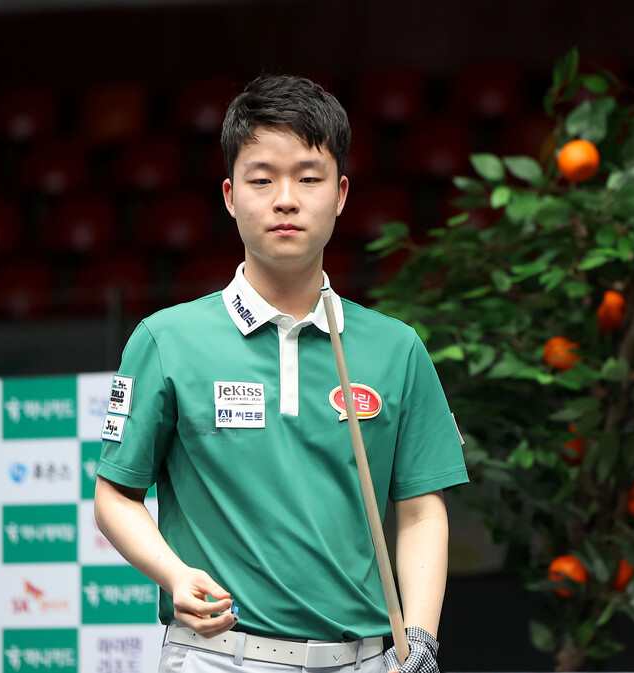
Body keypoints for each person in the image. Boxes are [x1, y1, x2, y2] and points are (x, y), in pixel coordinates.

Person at [94, 74, 469, 673]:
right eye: (262, 179)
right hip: (219, 657)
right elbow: (115, 494)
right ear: (229, 195)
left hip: (365, 660)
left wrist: (421, 639)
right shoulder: (166, 340)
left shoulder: (395, 348)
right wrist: (174, 574)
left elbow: (422, 509)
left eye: (309, 178)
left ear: (341, 194)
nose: (286, 199)